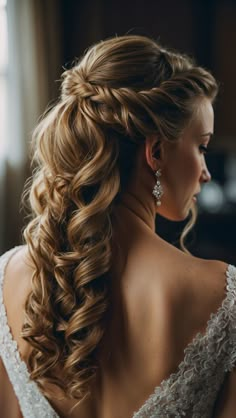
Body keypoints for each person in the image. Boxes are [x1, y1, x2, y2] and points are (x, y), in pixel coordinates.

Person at [0, 35, 235, 418]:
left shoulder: (6, 279)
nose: (206, 173)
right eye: (202, 147)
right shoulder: (224, 300)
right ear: (156, 151)